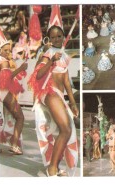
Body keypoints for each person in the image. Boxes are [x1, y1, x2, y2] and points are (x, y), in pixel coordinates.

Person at [28, 5, 79, 177]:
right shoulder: (48, 53)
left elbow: (65, 81)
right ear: (48, 39)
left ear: (63, 37)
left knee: (66, 129)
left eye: (59, 36)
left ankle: (54, 166)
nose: (57, 39)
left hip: (58, 94)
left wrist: (72, 103)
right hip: (47, 92)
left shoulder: (64, 55)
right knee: (65, 128)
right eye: (53, 37)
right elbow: (37, 75)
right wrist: (50, 61)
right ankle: (52, 169)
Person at [0, 26, 28, 155]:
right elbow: (6, 79)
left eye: (9, 50)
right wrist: (21, 68)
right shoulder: (3, 61)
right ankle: (14, 144)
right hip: (2, 92)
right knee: (20, 117)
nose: (8, 53)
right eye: (5, 50)